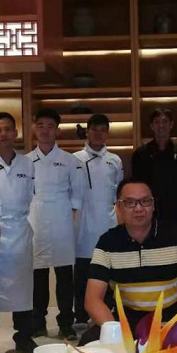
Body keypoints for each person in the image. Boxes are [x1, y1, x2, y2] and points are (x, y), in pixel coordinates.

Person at [82, 177, 177, 343]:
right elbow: (92, 299)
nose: (139, 208)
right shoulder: (108, 242)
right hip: (126, 326)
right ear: (119, 207)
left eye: (145, 201)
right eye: (130, 202)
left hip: (168, 326)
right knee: (88, 343)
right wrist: (117, 334)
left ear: (153, 205)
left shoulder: (175, 237)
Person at [28, 108, 86, 341]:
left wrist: (70, 215)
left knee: (64, 276)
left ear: (57, 131)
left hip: (62, 220)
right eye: (41, 125)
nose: (45, 130)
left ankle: (66, 323)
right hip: (35, 220)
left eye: (50, 126)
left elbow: (77, 193)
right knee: (38, 276)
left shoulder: (69, 161)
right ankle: (37, 322)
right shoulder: (26, 161)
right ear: (34, 129)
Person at [0, 112, 39, 353]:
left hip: (19, 231)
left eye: (8, 129)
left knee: (23, 289)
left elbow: (31, 196)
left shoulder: (28, 164)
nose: (3, 134)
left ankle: (24, 337)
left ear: (16, 133)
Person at [73, 114, 124, 325]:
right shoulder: (74, 159)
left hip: (108, 224)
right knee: (83, 273)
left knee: (109, 273)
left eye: (103, 130)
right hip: (82, 226)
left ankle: (109, 316)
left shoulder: (115, 160)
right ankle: (81, 316)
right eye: (94, 129)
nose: (98, 133)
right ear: (87, 131)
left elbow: (119, 196)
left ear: (107, 134)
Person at [131, 108, 177, 227]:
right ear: (151, 126)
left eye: (165, 121)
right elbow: (137, 185)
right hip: (148, 209)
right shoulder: (140, 154)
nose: (161, 125)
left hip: (173, 209)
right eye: (157, 122)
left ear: (171, 124)